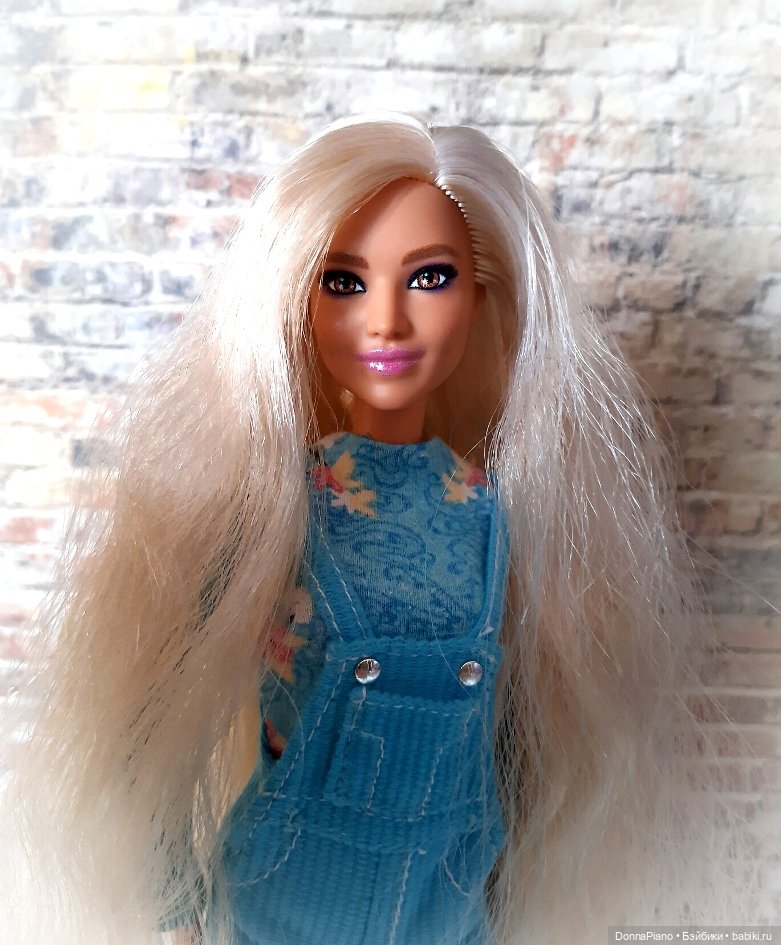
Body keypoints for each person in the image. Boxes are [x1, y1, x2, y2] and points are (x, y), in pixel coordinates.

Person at [0, 113, 759, 945]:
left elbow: (512, 738)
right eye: (344, 281)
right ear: (296, 300)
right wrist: (175, 914)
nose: (388, 320)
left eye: (430, 278)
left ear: (481, 298)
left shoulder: (493, 510)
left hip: (447, 907)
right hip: (285, 907)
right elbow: (157, 731)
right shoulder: (268, 505)